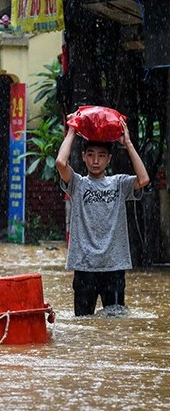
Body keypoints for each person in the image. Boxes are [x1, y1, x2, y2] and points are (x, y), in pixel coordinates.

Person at [55, 118, 149, 316]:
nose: (95, 161)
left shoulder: (119, 184)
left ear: (109, 159)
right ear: (83, 157)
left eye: (101, 156)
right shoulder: (78, 184)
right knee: (83, 326)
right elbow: (60, 162)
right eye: (90, 155)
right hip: (84, 266)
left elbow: (144, 179)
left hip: (114, 267)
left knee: (113, 328)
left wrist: (129, 144)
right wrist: (72, 130)